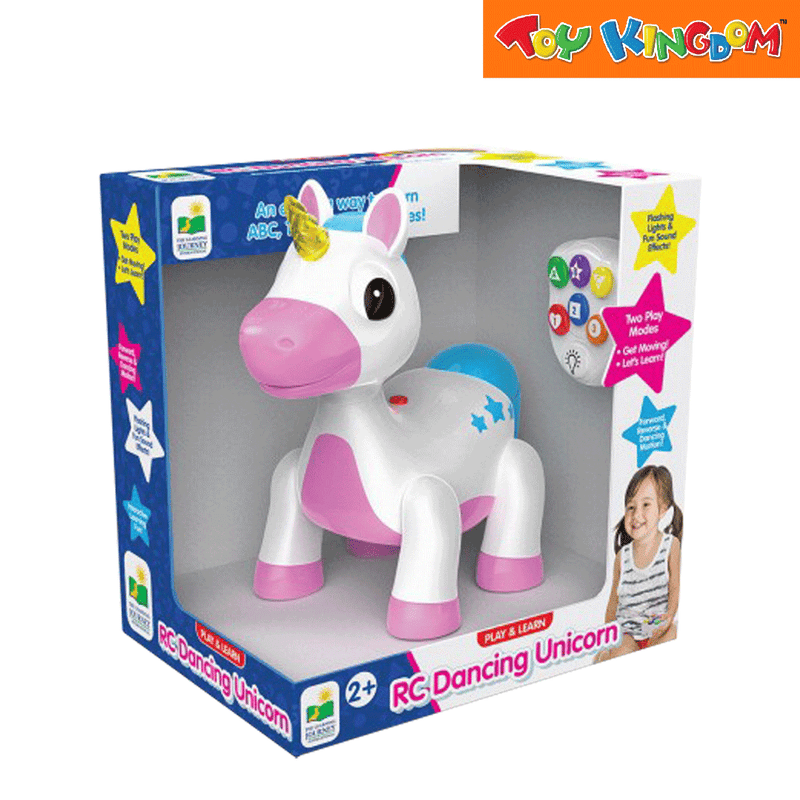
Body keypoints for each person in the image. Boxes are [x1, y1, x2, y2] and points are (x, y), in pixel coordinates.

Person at [595, 465, 682, 663]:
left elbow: (675, 586)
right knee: (621, 652)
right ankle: (605, 655)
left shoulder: (671, 545)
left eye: (646, 505)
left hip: (657, 629)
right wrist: (608, 635)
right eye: (631, 507)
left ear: (662, 509)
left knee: (674, 633)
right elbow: (613, 601)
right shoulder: (622, 557)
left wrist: (669, 615)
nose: (636, 514)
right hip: (627, 633)